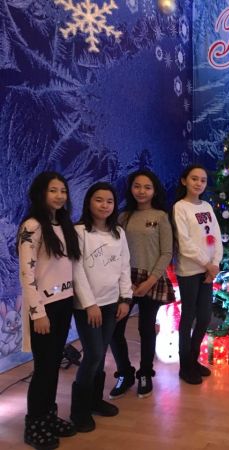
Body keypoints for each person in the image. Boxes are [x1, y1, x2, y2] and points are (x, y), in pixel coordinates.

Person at [18, 171, 81, 449]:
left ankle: (48, 415)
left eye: (63, 191)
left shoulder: (64, 225)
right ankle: (34, 424)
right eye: (53, 190)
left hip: (64, 303)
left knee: (54, 365)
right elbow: (27, 274)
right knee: (43, 368)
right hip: (44, 308)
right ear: (40, 193)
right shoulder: (32, 226)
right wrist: (38, 312)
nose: (59, 196)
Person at [71, 182, 133, 432]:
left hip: (111, 304)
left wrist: (125, 299)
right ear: (89, 202)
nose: (104, 205)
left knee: (101, 352)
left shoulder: (118, 232)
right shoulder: (79, 231)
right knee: (93, 354)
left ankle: (95, 401)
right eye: (99, 200)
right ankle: (79, 411)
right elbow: (76, 270)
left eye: (109, 201)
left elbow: (124, 266)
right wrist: (90, 304)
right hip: (88, 307)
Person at [109, 169, 174, 399]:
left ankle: (145, 373)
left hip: (151, 279)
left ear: (154, 190)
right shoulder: (122, 217)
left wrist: (150, 281)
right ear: (131, 189)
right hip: (125, 280)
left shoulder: (161, 216)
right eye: (137, 186)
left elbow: (167, 253)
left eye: (147, 187)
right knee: (114, 329)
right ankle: (124, 373)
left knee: (146, 328)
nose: (141, 191)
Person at [172, 165, 223, 385]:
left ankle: (193, 359)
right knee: (188, 317)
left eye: (203, 180)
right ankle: (185, 365)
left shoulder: (207, 206)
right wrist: (207, 264)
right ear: (184, 181)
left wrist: (215, 264)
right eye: (194, 179)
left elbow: (217, 236)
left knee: (204, 317)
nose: (199, 183)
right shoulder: (180, 207)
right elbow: (185, 244)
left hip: (207, 270)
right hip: (190, 271)